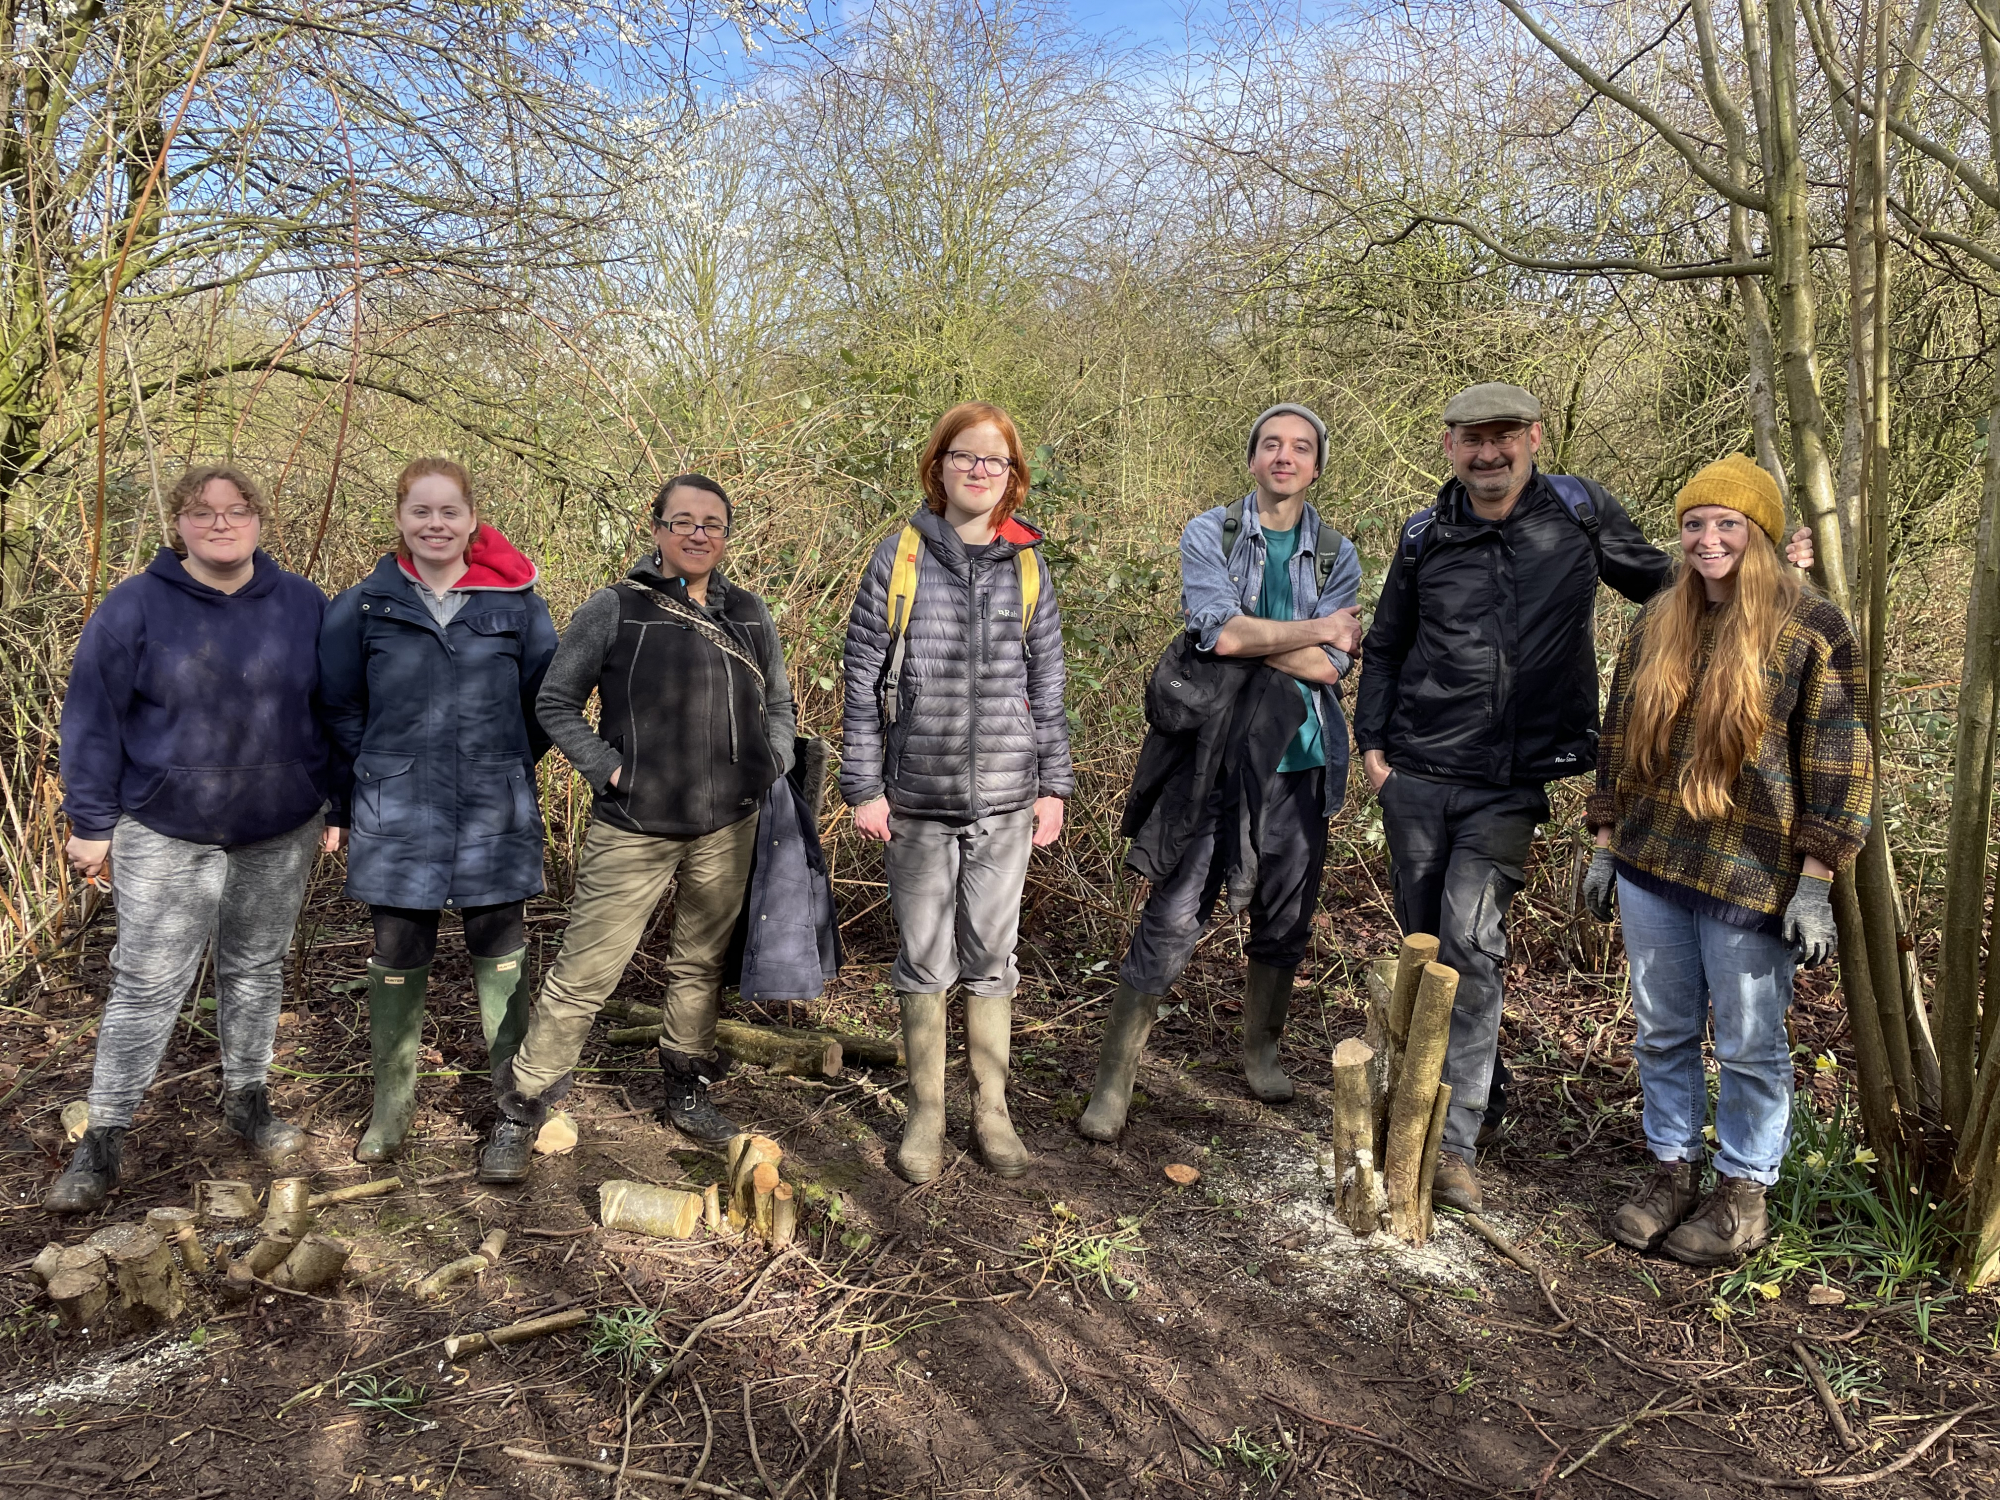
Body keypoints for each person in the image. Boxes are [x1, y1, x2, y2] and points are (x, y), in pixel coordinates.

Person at [1355, 383, 1815, 1215]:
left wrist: (1759, 569)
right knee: (1425, 942)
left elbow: (1665, 585)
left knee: (1470, 943)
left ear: (1534, 437)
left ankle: (1449, 1145)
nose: (1488, 453)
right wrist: (1373, 749)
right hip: (1416, 773)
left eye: (1504, 437)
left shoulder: (1576, 511)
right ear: (1449, 447)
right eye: (1471, 440)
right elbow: (1386, 642)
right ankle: (1467, 1102)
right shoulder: (1426, 533)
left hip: (1510, 779)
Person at [1585, 455, 1869, 1264]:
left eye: (1728, 525)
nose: (1708, 540)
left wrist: (1816, 882)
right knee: (1663, 1031)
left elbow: (1842, 761)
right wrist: (1605, 842)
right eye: (1695, 524)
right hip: (1653, 865)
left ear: (1764, 535)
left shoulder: (1813, 628)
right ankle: (1669, 1169)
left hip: (1752, 877)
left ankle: (1744, 1193)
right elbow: (1616, 737)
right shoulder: (1657, 620)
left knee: (1749, 1045)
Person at [477, 475, 797, 1181]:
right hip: (635, 824)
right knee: (584, 972)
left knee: (700, 964)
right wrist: (610, 770)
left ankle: (686, 1087)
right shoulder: (613, 607)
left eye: (712, 523)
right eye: (682, 521)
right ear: (656, 530)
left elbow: (779, 700)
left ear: (726, 535)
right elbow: (554, 702)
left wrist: (770, 762)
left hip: (727, 822)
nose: (697, 534)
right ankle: (520, 1106)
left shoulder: (749, 613)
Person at [47, 466, 333, 1212]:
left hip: (279, 823)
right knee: (147, 982)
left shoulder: (304, 605)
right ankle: (104, 1137)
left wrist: (335, 800)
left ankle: (247, 1098)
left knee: (257, 966)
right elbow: (90, 720)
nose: (220, 523)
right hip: (165, 826)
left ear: (259, 520)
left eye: (237, 510)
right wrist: (89, 823)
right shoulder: (134, 607)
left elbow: (337, 709)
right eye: (202, 512)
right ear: (178, 523)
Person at [1079, 404, 1363, 1141]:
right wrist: (1298, 632)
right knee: (1173, 917)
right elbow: (1221, 628)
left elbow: (1330, 669)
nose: (1284, 456)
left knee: (1285, 919)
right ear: (1251, 458)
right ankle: (1115, 1081)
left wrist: (1249, 637)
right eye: (1270, 443)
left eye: (1301, 446)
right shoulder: (1211, 531)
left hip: (1299, 764)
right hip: (1210, 766)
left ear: (1316, 466)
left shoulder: (1337, 554)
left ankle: (1260, 1051)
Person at [840, 402, 1072, 1182]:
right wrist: (863, 786)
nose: (979, 470)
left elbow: (1048, 680)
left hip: (1010, 797)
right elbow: (862, 677)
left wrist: (1056, 786)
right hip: (917, 799)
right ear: (937, 466)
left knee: (992, 959)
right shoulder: (900, 555)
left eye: (994, 461)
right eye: (965, 457)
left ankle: (993, 1112)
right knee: (923, 959)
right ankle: (926, 1115)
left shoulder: (1029, 562)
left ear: (1012, 477)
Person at [319, 458, 557, 1163]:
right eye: (421, 511)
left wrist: (502, 761)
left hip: (494, 807)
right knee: (398, 948)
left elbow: (544, 705)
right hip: (397, 812)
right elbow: (338, 704)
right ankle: (391, 1108)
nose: (435, 524)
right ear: (399, 519)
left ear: (471, 519)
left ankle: (513, 1107)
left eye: (449, 511)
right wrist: (386, 767)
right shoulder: (361, 606)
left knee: (499, 944)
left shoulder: (516, 605)